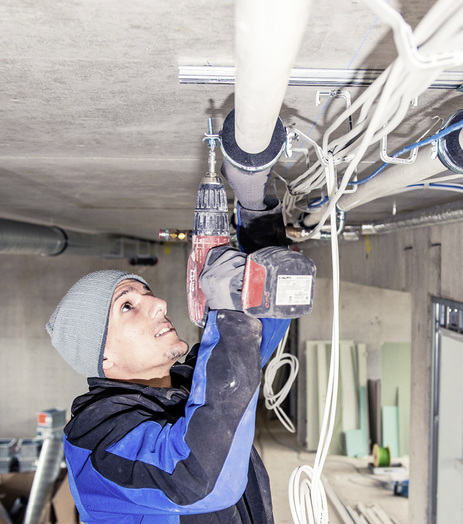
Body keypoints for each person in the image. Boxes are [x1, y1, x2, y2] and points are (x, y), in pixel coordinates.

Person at [46, 201, 292, 523]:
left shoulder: (185, 385)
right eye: (127, 306)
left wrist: (257, 212)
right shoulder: (95, 440)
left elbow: (260, 327)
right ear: (103, 355)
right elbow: (200, 480)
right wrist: (228, 316)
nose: (159, 304)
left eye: (148, 292)